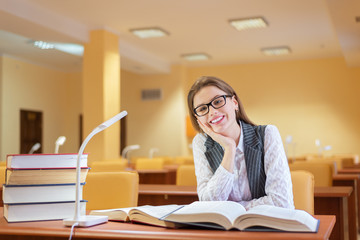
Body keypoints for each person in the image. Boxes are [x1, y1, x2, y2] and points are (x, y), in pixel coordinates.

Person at [187, 76, 294, 210]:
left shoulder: (267, 134)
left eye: (218, 101)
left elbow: (281, 203)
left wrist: (233, 208)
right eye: (202, 109)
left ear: (235, 102)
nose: (212, 112)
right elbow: (207, 203)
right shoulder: (200, 142)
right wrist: (229, 148)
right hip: (223, 230)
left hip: (265, 227)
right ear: (198, 119)